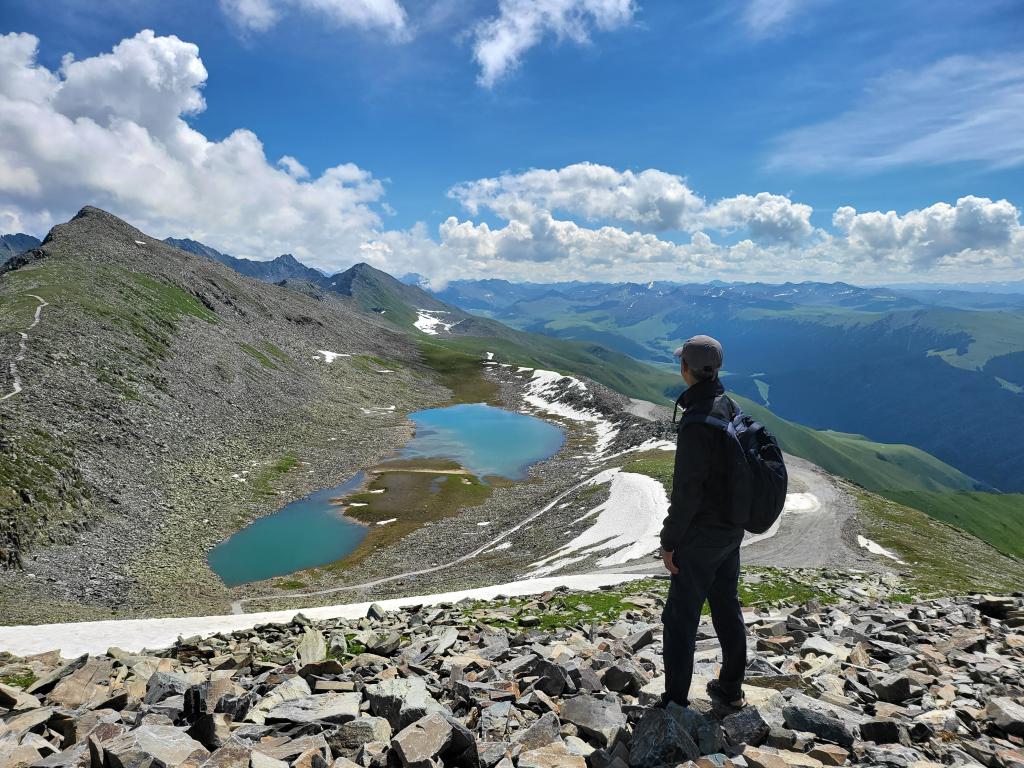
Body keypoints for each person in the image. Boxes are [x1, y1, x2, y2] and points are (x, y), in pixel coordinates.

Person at [659, 334, 747, 709]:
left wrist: (669, 541)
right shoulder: (728, 406)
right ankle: (729, 687)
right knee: (726, 604)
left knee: (680, 618)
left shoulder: (696, 423)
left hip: (701, 536)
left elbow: (687, 493)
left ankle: (675, 703)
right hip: (730, 529)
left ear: (685, 370)